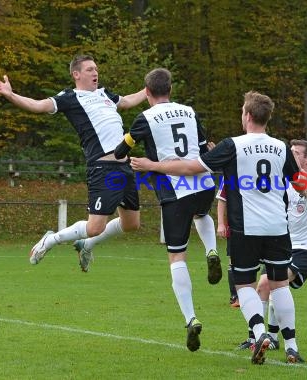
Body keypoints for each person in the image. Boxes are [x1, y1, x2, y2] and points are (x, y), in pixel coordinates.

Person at [130, 91, 305, 364]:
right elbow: (299, 184)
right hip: (278, 226)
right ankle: (292, 346)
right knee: (280, 284)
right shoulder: (281, 147)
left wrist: (151, 164)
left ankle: (260, 333)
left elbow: (190, 168)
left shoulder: (232, 145)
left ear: (247, 115)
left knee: (245, 285)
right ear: (267, 118)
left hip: (246, 227)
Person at [0, 54, 147, 272]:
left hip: (124, 166)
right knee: (94, 227)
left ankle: (87, 245)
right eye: (90, 69)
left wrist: (148, 89)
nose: (96, 73)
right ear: (76, 74)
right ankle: (51, 239)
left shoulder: (105, 94)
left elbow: (128, 101)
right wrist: (10, 95)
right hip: (103, 168)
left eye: (96, 69)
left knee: (132, 224)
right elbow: (38, 105)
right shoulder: (70, 97)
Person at [113, 68, 221, 353]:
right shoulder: (189, 111)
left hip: (176, 192)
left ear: (147, 92)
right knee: (202, 214)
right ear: (170, 89)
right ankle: (212, 250)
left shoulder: (144, 118)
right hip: (204, 184)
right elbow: (202, 145)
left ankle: (191, 318)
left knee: (177, 256)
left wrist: (124, 151)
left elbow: (122, 150)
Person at [237, 139, 307, 358]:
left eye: (295, 153)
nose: (289, 156)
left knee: (266, 282)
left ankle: (268, 339)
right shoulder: (283, 182)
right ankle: (263, 338)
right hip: (282, 244)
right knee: (270, 288)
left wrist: (297, 174)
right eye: (289, 153)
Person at [215, 183, 239, 308]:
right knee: (233, 260)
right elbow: (222, 200)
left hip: (257, 226)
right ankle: (235, 296)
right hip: (235, 226)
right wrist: (220, 224)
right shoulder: (229, 174)